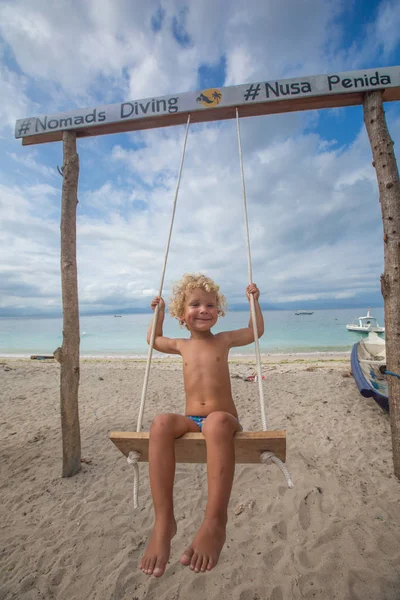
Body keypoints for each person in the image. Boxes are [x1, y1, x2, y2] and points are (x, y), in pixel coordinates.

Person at [139, 273, 264, 577]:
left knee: (217, 421)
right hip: (193, 421)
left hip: (223, 421)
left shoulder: (224, 340)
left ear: (218, 313)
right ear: (182, 314)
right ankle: (164, 520)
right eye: (195, 304)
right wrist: (157, 314)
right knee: (160, 423)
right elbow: (153, 341)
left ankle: (215, 520)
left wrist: (254, 302)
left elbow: (255, 330)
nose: (203, 309)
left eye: (210, 305)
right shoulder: (182, 345)